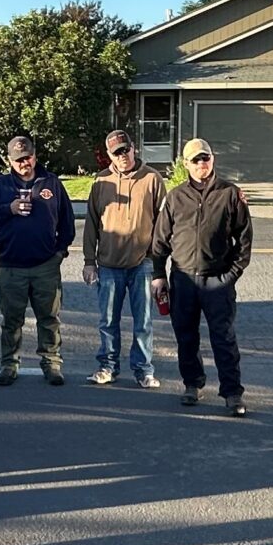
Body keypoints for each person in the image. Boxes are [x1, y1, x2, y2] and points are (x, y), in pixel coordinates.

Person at [149, 137, 251, 415]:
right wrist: (159, 275)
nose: (201, 164)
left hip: (217, 280)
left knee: (224, 338)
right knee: (186, 337)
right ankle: (192, 384)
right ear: (186, 164)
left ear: (212, 159)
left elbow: (243, 240)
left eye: (205, 158)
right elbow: (159, 242)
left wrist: (231, 274)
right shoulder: (175, 197)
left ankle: (232, 393)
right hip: (183, 279)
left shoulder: (230, 194)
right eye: (195, 160)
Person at [0, 134, 74, 386]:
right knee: (11, 320)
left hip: (45, 266)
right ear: (10, 161)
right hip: (11, 266)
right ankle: (9, 364)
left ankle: (51, 362)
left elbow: (67, 221)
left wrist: (60, 252)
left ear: (35, 155)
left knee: (49, 319)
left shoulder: (51, 183)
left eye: (28, 157)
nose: (24, 162)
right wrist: (8, 209)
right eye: (19, 159)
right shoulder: (0, 186)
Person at [83, 129, 164, 387]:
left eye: (125, 150)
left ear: (134, 148)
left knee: (143, 322)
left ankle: (143, 370)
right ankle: (107, 366)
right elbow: (91, 223)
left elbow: (164, 224)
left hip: (142, 263)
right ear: (109, 156)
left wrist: (159, 264)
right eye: (117, 153)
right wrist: (88, 261)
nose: (123, 156)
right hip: (108, 265)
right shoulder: (101, 181)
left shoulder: (152, 178)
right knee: (108, 321)